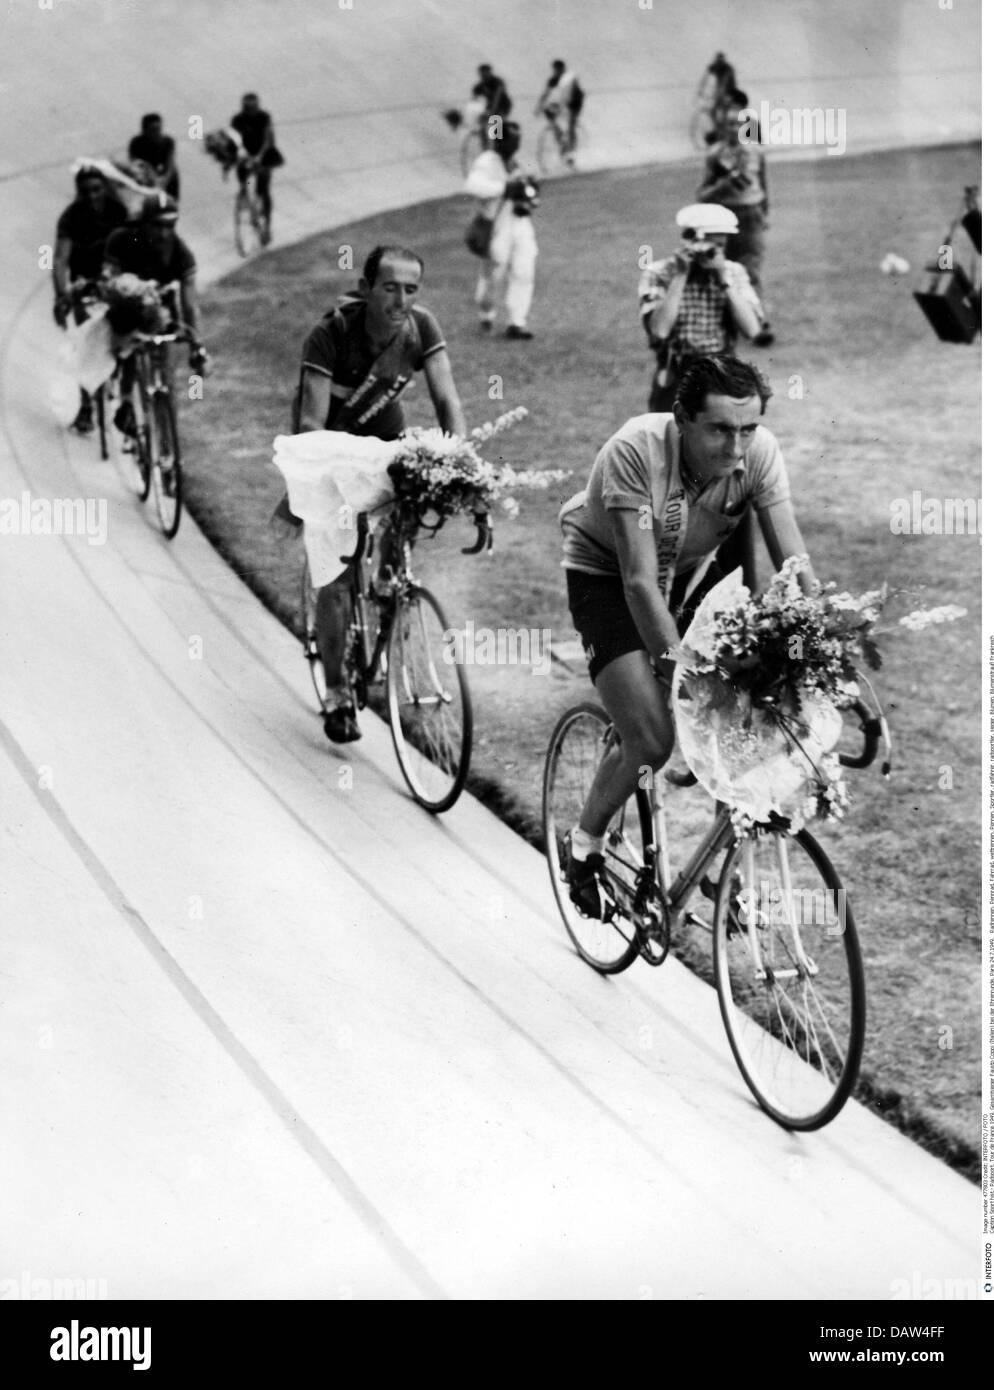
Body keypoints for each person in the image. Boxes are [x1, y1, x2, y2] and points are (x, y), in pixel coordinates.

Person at [558, 354, 815, 919]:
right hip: (610, 575)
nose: (737, 447)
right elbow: (640, 583)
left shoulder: (759, 454)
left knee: (753, 712)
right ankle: (583, 847)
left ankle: (724, 869)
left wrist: (820, 648)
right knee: (651, 739)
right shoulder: (635, 451)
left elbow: (793, 564)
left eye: (748, 429)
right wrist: (686, 675)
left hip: (694, 569)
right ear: (681, 417)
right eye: (720, 429)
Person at [274, 246, 466, 744]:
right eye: (390, 287)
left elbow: (447, 400)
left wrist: (461, 459)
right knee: (337, 580)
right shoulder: (331, 334)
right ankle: (337, 694)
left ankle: (389, 584)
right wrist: (327, 477)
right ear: (365, 288)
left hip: (386, 447)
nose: (401, 299)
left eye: (411, 289)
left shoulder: (421, 327)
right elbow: (313, 422)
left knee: (398, 539)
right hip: (331, 452)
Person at [638, 203, 763, 412]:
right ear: (688, 240)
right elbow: (660, 330)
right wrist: (680, 276)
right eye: (711, 245)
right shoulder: (659, 272)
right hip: (676, 368)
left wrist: (724, 280)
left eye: (721, 246)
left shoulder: (733, 272)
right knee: (668, 433)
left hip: (721, 370)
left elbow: (752, 330)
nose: (715, 253)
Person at [102, 192, 207, 433]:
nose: (163, 233)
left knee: (165, 372)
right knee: (128, 344)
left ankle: (167, 425)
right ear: (144, 222)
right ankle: (126, 400)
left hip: (162, 311)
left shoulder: (180, 253)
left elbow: (189, 304)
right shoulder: (122, 240)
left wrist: (197, 345)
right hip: (127, 308)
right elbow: (110, 279)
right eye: (157, 226)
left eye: (170, 226)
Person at [53, 165, 129, 433]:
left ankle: (124, 389)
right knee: (83, 341)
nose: (91, 196)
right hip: (85, 285)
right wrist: (62, 294)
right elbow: (61, 259)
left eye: (96, 189)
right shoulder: (71, 217)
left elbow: (132, 246)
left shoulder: (117, 211)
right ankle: (86, 406)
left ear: (104, 188)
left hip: (115, 281)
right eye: (85, 191)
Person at [695, 88, 773, 341]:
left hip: (751, 215)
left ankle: (757, 322)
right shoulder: (715, 155)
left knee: (751, 270)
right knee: (722, 271)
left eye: (739, 123)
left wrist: (765, 212)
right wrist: (724, 184)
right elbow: (702, 194)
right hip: (723, 218)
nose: (734, 128)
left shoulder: (754, 152)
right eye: (729, 124)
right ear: (722, 127)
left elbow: (763, 183)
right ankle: (724, 323)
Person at [464, 121, 539, 339]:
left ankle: (517, 322)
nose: (516, 145)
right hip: (496, 224)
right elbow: (472, 186)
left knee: (524, 270)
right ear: (500, 141)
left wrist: (530, 197)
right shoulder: (487, 161)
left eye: (518, 141)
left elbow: (529, 190)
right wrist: (504, 188)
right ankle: (486, 313)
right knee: (493, 272)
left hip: (519, 222)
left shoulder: (515, 163)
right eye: (512, 141)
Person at [230, 93, 280, 239]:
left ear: (257, 107)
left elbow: (268, 139)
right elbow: (234, 139)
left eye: (252, 107)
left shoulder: (264, 118)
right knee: (242, 177)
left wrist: (259, 156)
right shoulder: (238, 120)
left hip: (263, 155)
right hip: (246, 155)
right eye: (247, 108)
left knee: (263, 188)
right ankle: (245, 197)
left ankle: (267, 225)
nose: (249, 111)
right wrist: (239, 154)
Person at [534, 59, 584, 164]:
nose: (557, 72)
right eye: (555, 70)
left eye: (559, 70)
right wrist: (539, 107)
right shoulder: (553, 79)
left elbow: (570, 92)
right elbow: (545, 94)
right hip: (564, 101)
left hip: (575, 102)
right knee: (548, 111)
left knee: (571, 124)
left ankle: (571, 150)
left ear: (563, 69)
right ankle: (560, 138)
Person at [127, 113, 180, 201]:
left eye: (159, 129)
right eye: (153, 130)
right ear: (144, 131)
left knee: (173, 174)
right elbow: (135, 163)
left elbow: (170, 164)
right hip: (145, 175)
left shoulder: (167, 142)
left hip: (162, 175)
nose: (157, 133)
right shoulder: (136, 143)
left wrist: (164, 181)